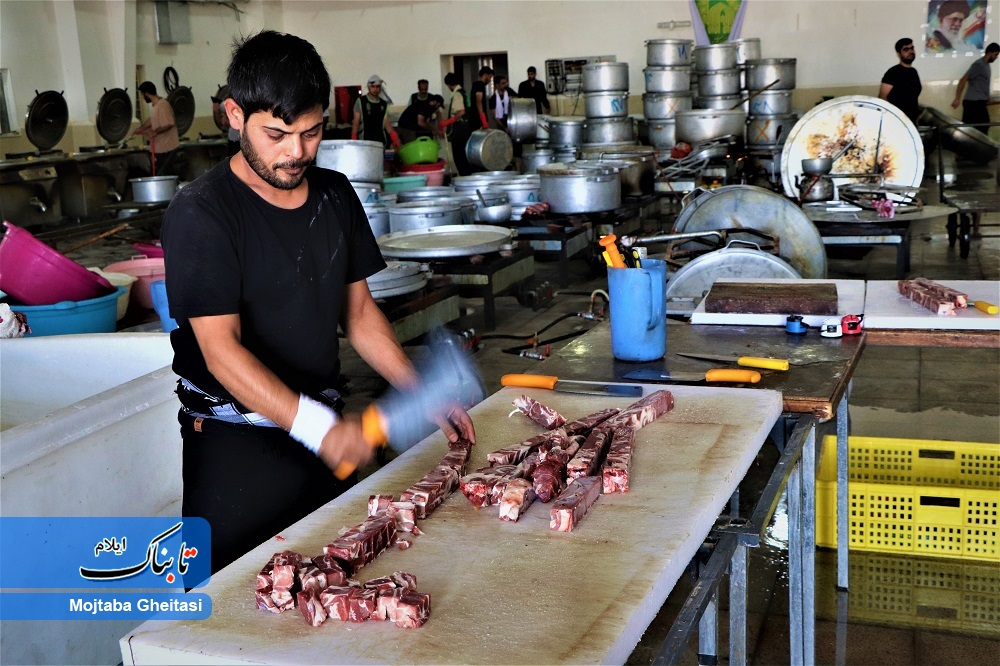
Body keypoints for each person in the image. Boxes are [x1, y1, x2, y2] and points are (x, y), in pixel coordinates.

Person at [161, 30, 475, 573]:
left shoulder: (334, 194)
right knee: (236, 601)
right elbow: (221, 352)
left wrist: (417, 388)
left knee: (333, 584)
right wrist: (319, 429)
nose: (296, 152)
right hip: (236, 450)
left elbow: (359, 313)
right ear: (235, 115)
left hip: (320, 433)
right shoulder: (202, 212)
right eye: (277, 134)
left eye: (311, 133)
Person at [133, 81, 180, 174]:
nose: (143, 97)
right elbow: (152, 119)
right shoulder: (156, 105)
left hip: (167, 149)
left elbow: (169, 123)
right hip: (160, 149)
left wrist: (154, 132)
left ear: (147, 94)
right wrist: (141, 128)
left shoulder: (163, 105)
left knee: (164, 176)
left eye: (143, 95)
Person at [951, 42, 1000, 127]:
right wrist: (957, 99)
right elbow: (963, 80)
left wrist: (988, 97)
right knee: (977, 128)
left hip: (979, 103)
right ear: (990, 53)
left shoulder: (986, 66)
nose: (996, 57)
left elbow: (983, 85)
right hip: (973, 104)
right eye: (996, 54)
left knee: (983, 126)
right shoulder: (978, 65)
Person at [879, 38, 922, 123]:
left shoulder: (913, 72)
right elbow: (882, 99)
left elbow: (913, 100)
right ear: (899, 54)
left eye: (912, 48)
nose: (911, 51)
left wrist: (915, 121)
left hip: (910, 122)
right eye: (906, 49)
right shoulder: (892, 72)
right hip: (896, 122)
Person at [439, 72, 475, 176]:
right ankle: (466, 175)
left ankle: (464, 176)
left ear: (449, 84)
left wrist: (448, 122)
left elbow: (461, 112)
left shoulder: (457, 94)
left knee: (459, 155)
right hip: (466, 127)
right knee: (464, 154)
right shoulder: (463, 92)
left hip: (460, 129)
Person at [352, 74, 400, 148]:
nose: (375, 89)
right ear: (368, 87)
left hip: (381, 141)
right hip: (365, 141)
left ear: (380, 87)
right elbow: (356, 122)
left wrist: (395, 138)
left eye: (377, 86)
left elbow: (386, 123)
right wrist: (354, 140)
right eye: (373, 86)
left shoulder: (383, 104)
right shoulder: (361, 101)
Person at [212, 84, 241, 156]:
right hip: (232, 140)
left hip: (242, 141)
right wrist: (217, 111)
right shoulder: (227, 104)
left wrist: (228, 122)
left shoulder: (244, 102)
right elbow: (219, 109)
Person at [470, 66, 494, 132]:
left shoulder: (478, 85)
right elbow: (478, 101)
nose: (490, 80)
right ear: (485, 75)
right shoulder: (479, 84)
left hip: (477, 118)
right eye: (490, 77)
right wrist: (483, 120)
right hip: (477, 120)